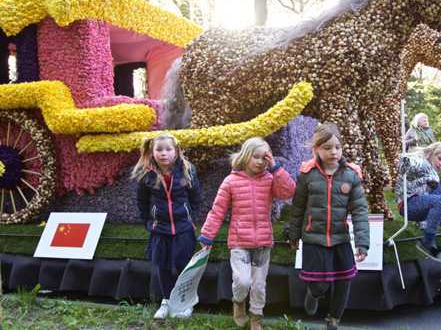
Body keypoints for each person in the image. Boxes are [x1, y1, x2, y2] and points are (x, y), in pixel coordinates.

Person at [198, 137, 296, 330]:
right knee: (242, 281)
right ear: (245, 156)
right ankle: (239, 301)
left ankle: (256, 318)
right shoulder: (231, 181)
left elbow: (289, 191)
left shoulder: (270, 179)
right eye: (256, 157)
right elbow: (217, 210)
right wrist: (207, 234)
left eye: (264, 158)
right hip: (239, 241)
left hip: (262, 242)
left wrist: (276, 168)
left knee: (259, 284)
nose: (260, 162)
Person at [289, 123, 370, 330]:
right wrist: (295, 235)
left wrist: (363, 242)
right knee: (320, 283)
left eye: (337, 147)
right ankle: (313, 293)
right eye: (327, 148)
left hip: (340, 239)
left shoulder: (351, 175)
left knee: (344, 283)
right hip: (314, 239)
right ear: (316, 149)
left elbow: (360, 210)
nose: (333, 152)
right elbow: (298, 207)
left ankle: (333, 322)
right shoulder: (306, 174)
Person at [132, 133, 202, 319]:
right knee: (163, 267)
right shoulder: (145, 174)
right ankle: (167, 301)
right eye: (159, 150)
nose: (164, 153)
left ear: (176, 151)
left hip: (183, 230)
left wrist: (189, 217)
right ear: (152, 152)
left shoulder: (187, 170)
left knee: (183, 267)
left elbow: (195, 198)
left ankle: (186, 302)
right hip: (160, 230)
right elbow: (142, 204)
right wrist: (149, 223)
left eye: (168, 149)